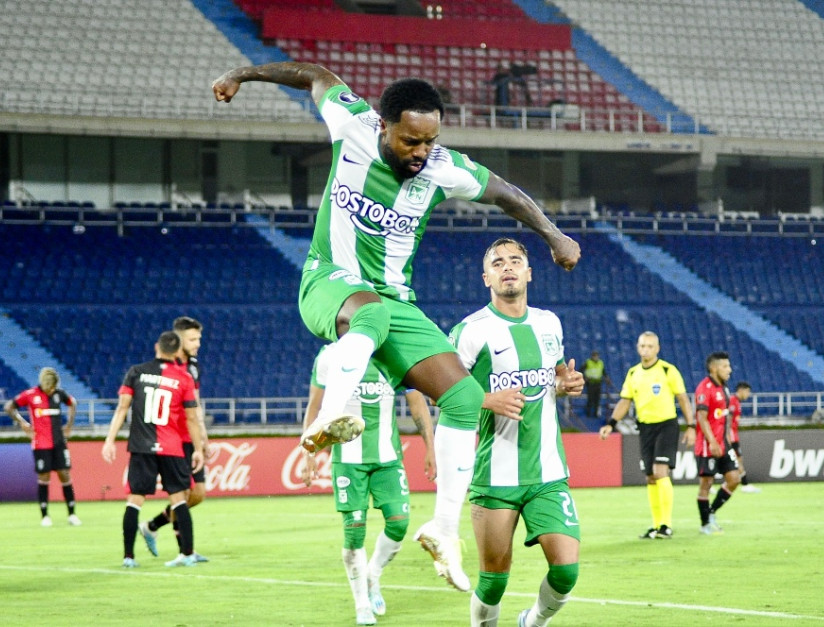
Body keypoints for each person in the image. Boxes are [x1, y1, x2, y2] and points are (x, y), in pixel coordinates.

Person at [212, 62, 580, 591]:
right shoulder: (351, 122)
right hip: (327, 283)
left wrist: (552, 234)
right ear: (383, 126)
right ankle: (333, 416)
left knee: (462, 396)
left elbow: (505, 193)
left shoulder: (441, 167)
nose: (421, 153)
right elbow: (314, 75)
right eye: (411, 140)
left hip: (394, 302)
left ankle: (444, 529)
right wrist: (241, 74)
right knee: (372, 311)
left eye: (430, 141)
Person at [450, 238, 584, 627]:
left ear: (529, 272)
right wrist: (487, 400)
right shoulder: (470, 331)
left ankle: (533, 622)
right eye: (497, 262)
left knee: (566, 572)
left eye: (515, 261)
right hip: (496, 476)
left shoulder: (549, 323)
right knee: (493, 582)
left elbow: (557, 374)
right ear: (486, 277)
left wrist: (568, 382)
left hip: (548, 473)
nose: (506, 267)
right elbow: (443, 391)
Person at [301, 344, 436, 626]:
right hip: (348, 460)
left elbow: (416, 401)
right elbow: (315, 406)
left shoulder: (394, 353)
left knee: (399, 523)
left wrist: (430, 447)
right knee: (353, 534)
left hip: (388, 458)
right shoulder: (330, 355)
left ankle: (373, 574)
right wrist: (308, 451)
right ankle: (362, 603)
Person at [101, 331, 205, 568]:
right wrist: (197, 449)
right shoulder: (184, 378)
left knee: (134, 501)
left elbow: (121, 409)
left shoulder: (136, 372)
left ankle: (128, 557)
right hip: (172, 446)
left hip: (141, 446)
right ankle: (187, 553)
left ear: (157, 346)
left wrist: (109, 440)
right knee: (179, 500)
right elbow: (191, 419)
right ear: (177, 350)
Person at [598, 332, 695, 540]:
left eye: (650, 346)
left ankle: (666, 525)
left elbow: (683, 399)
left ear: (657, 348)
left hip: (666, 425)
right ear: (637, 347)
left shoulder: (668, 370)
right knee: (650, 477)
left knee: (660, 472)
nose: (646, 350)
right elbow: (625, 401)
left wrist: (691, 425)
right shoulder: (633, 373)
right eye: (642, 346)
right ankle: (656, 525)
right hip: (645, 428)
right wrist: (611, 424)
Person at [139, 316, 211, 561]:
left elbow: (196, 404)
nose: (198, 343)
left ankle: (151, 526)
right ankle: (185, 551)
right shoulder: (164, 367)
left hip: (190, 436)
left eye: (199, 338)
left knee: (197, 494)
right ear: (178, 340)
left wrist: (203, 436)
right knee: (182, 494)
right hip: (173, 438)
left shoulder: (193, 366)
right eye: (193, 339)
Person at [5, 367, 81, 527]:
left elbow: (72, 403)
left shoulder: (59, 394)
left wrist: (69, 425)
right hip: (41, 444)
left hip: (59, 443)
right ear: (46, 384)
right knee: (44, 477)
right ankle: (45, 516)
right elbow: (9, 407)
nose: (53, 389)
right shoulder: (30, 395)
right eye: (51, 387)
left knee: (64, 475)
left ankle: (72, 514)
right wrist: (22, 423)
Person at [694, 352, 740, 534]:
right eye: (725, 366)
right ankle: (705, 524)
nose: (729, 370)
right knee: (706, 483)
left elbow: (724, 417)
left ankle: (711, 513)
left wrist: (727, 441)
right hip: (707, 443)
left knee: (734, 479)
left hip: (723, 442)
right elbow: (702, 417)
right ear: (714, 368)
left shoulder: (724, 388)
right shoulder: (704, 388)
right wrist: (712, 442)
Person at [729, 381, 760, 493]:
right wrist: (728, 436)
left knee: (734, 459)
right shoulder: (733, 401)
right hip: (731, 436)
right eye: (747, 392)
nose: (748, 395)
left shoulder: (737, 402)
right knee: (737, 459)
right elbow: (728, 419)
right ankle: (745, 484)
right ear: (741, 390)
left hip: (733, 435)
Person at [579, 350, 612, 419]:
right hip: (590, 382)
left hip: (598, 382)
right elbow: (581, 370)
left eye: (597, 356)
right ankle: (588, 414)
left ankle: (595, 414)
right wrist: (585, 377)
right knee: (590, 399)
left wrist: (606, 378)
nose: (596, 357)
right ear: (592, 356)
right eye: (594, 356)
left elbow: (603, 372)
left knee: (597, 399)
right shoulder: (588, 362)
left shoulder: (601, 363)